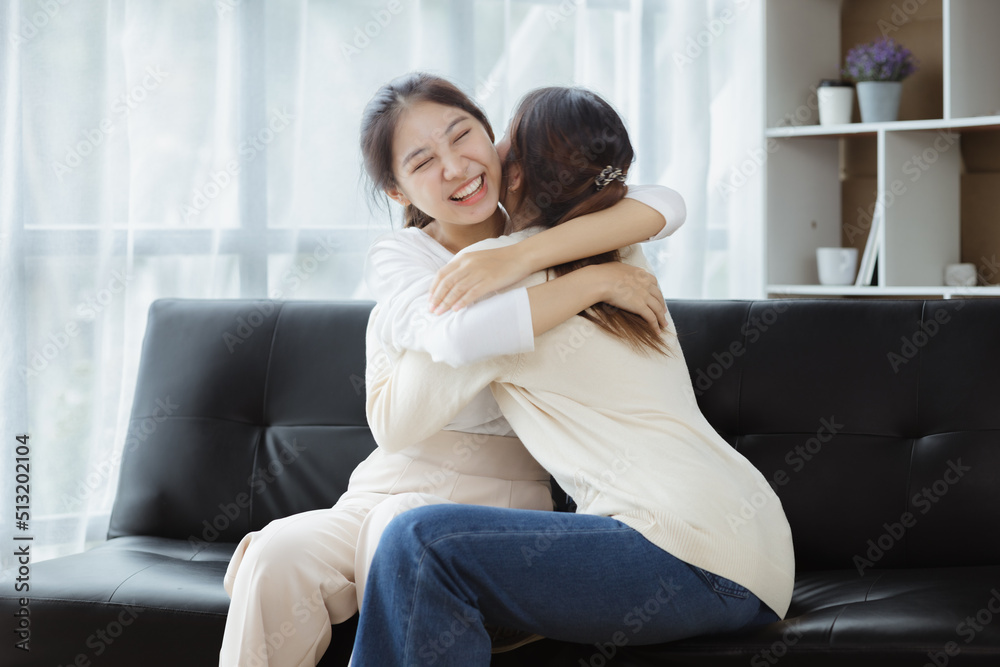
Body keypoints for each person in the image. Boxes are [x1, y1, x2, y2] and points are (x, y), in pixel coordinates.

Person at [219, 72, 685, 667]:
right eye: (422, 161)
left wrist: (531, 254)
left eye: (462, 136)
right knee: (275, 553)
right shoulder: (402, 257)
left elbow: (664, 203)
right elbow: (454, 339)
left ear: (495, 137)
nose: (456, 167)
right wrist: (594, 281)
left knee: (401, 531)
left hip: (499, 499)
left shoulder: (548, 225)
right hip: (385, 480)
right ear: (398, 192)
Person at [351, 85, 795, 666]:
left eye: (488, 136)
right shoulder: (610, 245)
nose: (473, 156)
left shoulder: (498, 282)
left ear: (514, 175)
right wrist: (568, 275)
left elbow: (401, 411)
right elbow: (662, 203)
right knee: (430, 555)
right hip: (750, 546)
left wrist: (397, 313)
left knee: (418, 543)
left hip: (687, 551)